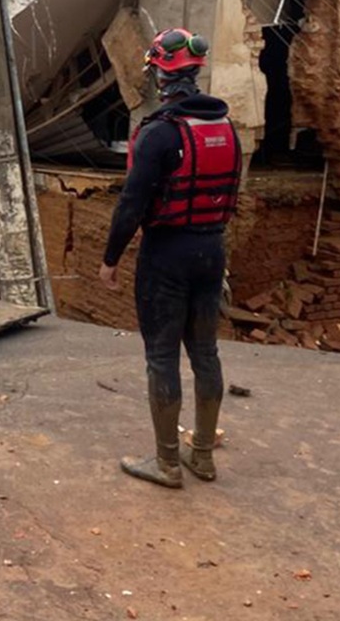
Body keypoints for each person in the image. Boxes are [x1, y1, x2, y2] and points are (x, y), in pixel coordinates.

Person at [98, 27, 242, 488]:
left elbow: (131, 204)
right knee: (205, 353)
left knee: (162, 357)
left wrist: (110, 258)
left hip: (166, 255)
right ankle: (203, 456)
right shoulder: (226, 128)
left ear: (160, 75)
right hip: (211, 250)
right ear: (195, 73)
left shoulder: (159, 133)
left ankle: (165, 463)